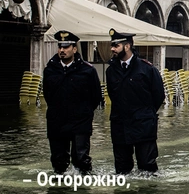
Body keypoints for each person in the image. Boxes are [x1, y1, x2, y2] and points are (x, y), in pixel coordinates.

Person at [106, 29, 165, 174]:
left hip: (143, 125)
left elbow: (159, 95)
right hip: (120, 125)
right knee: (122, 170)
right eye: (112, 45)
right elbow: (113, 95)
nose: (112, 49)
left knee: (147, 167)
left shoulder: (147, 69)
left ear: (127, 46)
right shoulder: (111, 70)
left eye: (116, 45)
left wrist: (145, 113)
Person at [43, 31, 102, 174]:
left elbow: (96, 96)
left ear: (74, 49)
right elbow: (47, 94)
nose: (62, 50)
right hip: (57, 121)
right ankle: (60, 192)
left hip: (80, 121)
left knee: (81, 159)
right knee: (58, 160)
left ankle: (82, 189)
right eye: (60, 47)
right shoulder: (50, 70)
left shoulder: (87, 71)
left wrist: (85, 112)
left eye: (66, 47)